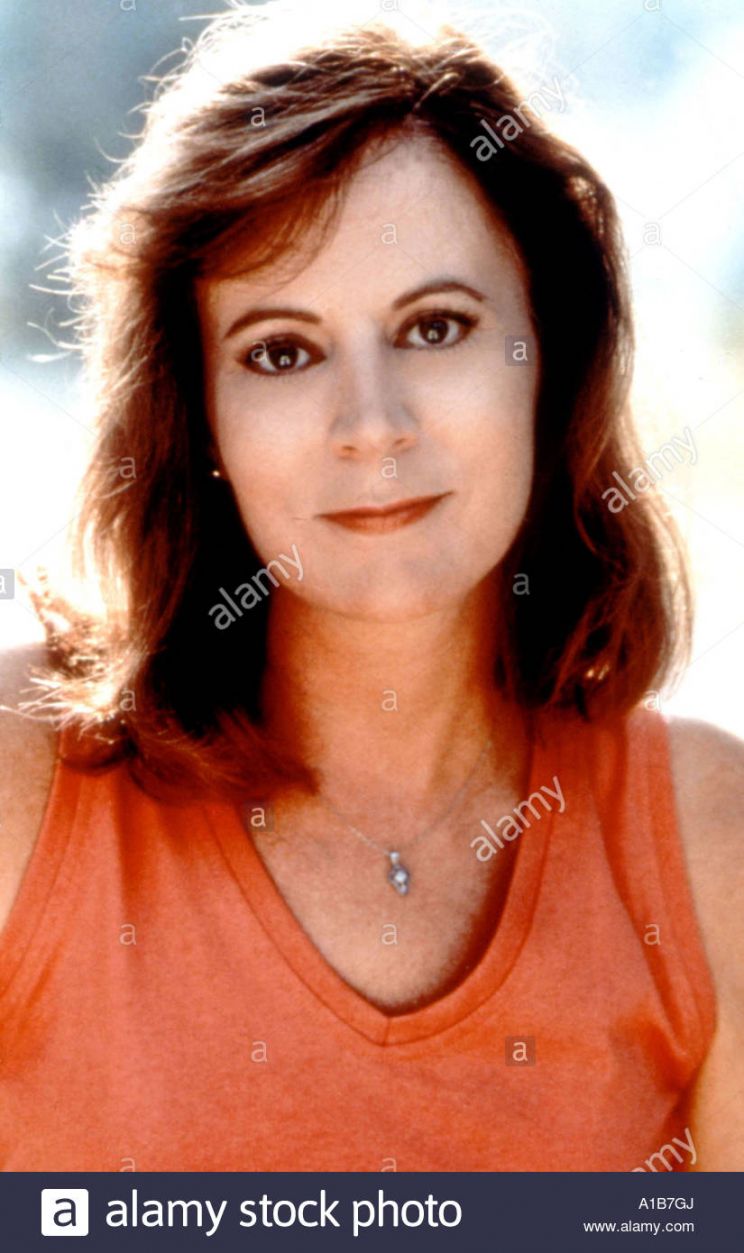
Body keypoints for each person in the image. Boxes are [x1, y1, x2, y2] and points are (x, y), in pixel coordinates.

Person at [1, 1, 742, 1172]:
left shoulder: (709, 838)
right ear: (199, 414)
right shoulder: (24, 782)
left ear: (549, 356)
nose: (372, 424)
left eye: (436, 327)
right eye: (281, 351)